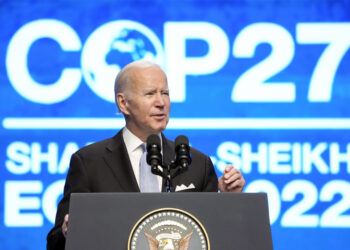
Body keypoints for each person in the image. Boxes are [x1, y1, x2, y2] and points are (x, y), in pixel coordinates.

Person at [46, 60, 245, 250]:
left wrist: (229, 203)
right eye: (150, 93)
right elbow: (54, 244)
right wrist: (68, 232)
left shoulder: (197, 163)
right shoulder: (89, 163)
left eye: (165, 93)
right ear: (123, 103)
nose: (161, 102)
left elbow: (214, 240)